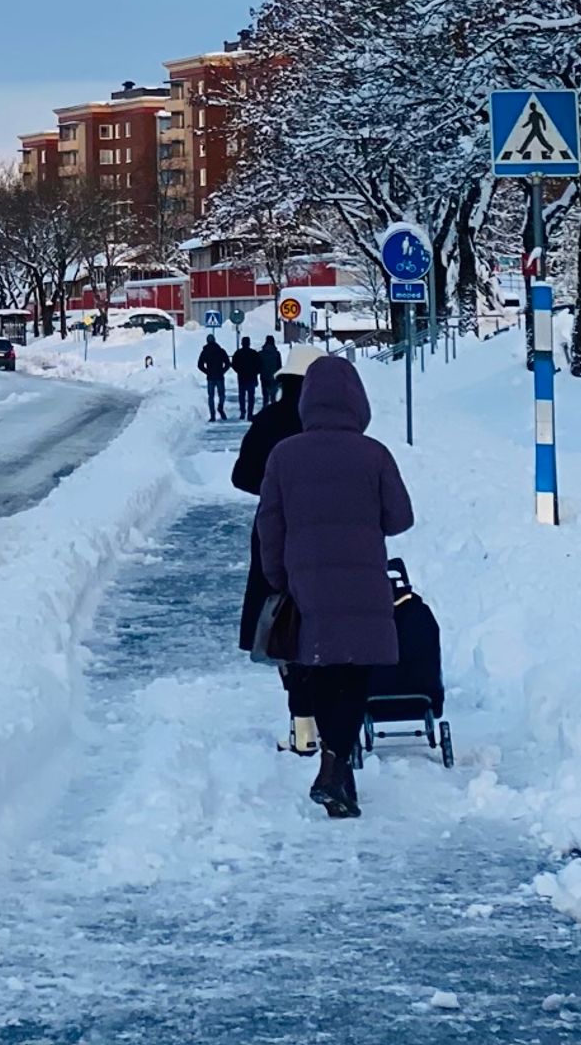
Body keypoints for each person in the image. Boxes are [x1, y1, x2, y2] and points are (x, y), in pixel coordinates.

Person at [255, 353, 414, 820]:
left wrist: (279, 577)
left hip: (307, 584)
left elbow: (269, 524)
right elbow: (399, 518)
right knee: (356, 675)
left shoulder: (284, 455)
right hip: (363, 583)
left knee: (322, 673)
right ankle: (334, 769)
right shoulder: (374, 454)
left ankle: (335, 773)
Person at [233, 342, 325, 754]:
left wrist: (274, 493)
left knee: (284, 624)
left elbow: (241, 476)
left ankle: (303, 723)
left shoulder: (269, 420)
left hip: (275, 533)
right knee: (326, 620)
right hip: (328, 533)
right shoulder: (331, 424)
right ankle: (329, 715)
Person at [198, 334, 230, 421]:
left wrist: (207, 371)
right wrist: (223, 371)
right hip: (220, 376)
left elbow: (200, 365)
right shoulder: (220, 350)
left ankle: (213, 415)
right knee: (222, 395)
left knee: (211, 396)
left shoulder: (205, 351)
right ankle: (220, 407)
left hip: (210, 377)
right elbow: (227, 363)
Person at [230, 335, 261, 420]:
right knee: (251, 397)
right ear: (249, 343)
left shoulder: (238, 353)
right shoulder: (254, 353)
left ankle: (243, 412)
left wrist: (239, 371)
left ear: (242, 343)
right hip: (251, 378)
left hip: (242, 378)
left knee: (242, 396)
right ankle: (250, 414)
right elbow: (259, 365)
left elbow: (234, 364)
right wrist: (256, 373)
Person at [257, 333, 283, 407]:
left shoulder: (261, 354)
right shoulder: (277, 353)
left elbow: (258, 366)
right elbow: (279, 366)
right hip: (273, 378)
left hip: (264, 377)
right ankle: (273, 413)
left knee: (265, 397)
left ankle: (265, 412)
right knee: (273, 397)